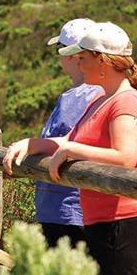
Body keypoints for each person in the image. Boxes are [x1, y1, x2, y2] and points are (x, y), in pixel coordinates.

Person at [3, 22, 137, 275]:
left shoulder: (126, 102)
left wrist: (72, 149)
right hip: (105, 222)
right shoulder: (104, 99)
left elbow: (125, 156)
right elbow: (70, 139)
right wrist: (33, 144)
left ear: (102, 61)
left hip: (124, 222)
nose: (78, 63)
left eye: (83, 58)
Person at [36, 19, 103, 248]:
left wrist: (29, 146)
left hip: (70, 211)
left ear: (72, 55)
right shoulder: (85, 94)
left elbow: (73, 141)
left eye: (60, 50)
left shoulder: (83, 96)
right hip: (65, 209)